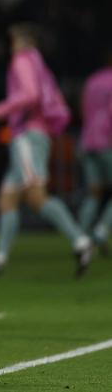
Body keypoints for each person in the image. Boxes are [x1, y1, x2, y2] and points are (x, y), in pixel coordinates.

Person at [0, 23, 92, 278]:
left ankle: (81, 241)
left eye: (13, 41)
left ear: (21, 40)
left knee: (35, 195)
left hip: (28, 135)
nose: (11, 46)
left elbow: (29, 95)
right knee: (6, 199)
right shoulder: (38, 63)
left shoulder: (22, 60)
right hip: (32, 134)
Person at [77, 52, 112, 253]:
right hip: (108, 140)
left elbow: (83, 110)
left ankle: (80, 238)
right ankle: (101, 230)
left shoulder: (92, 81)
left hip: (87, 140)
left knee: (93, 194)